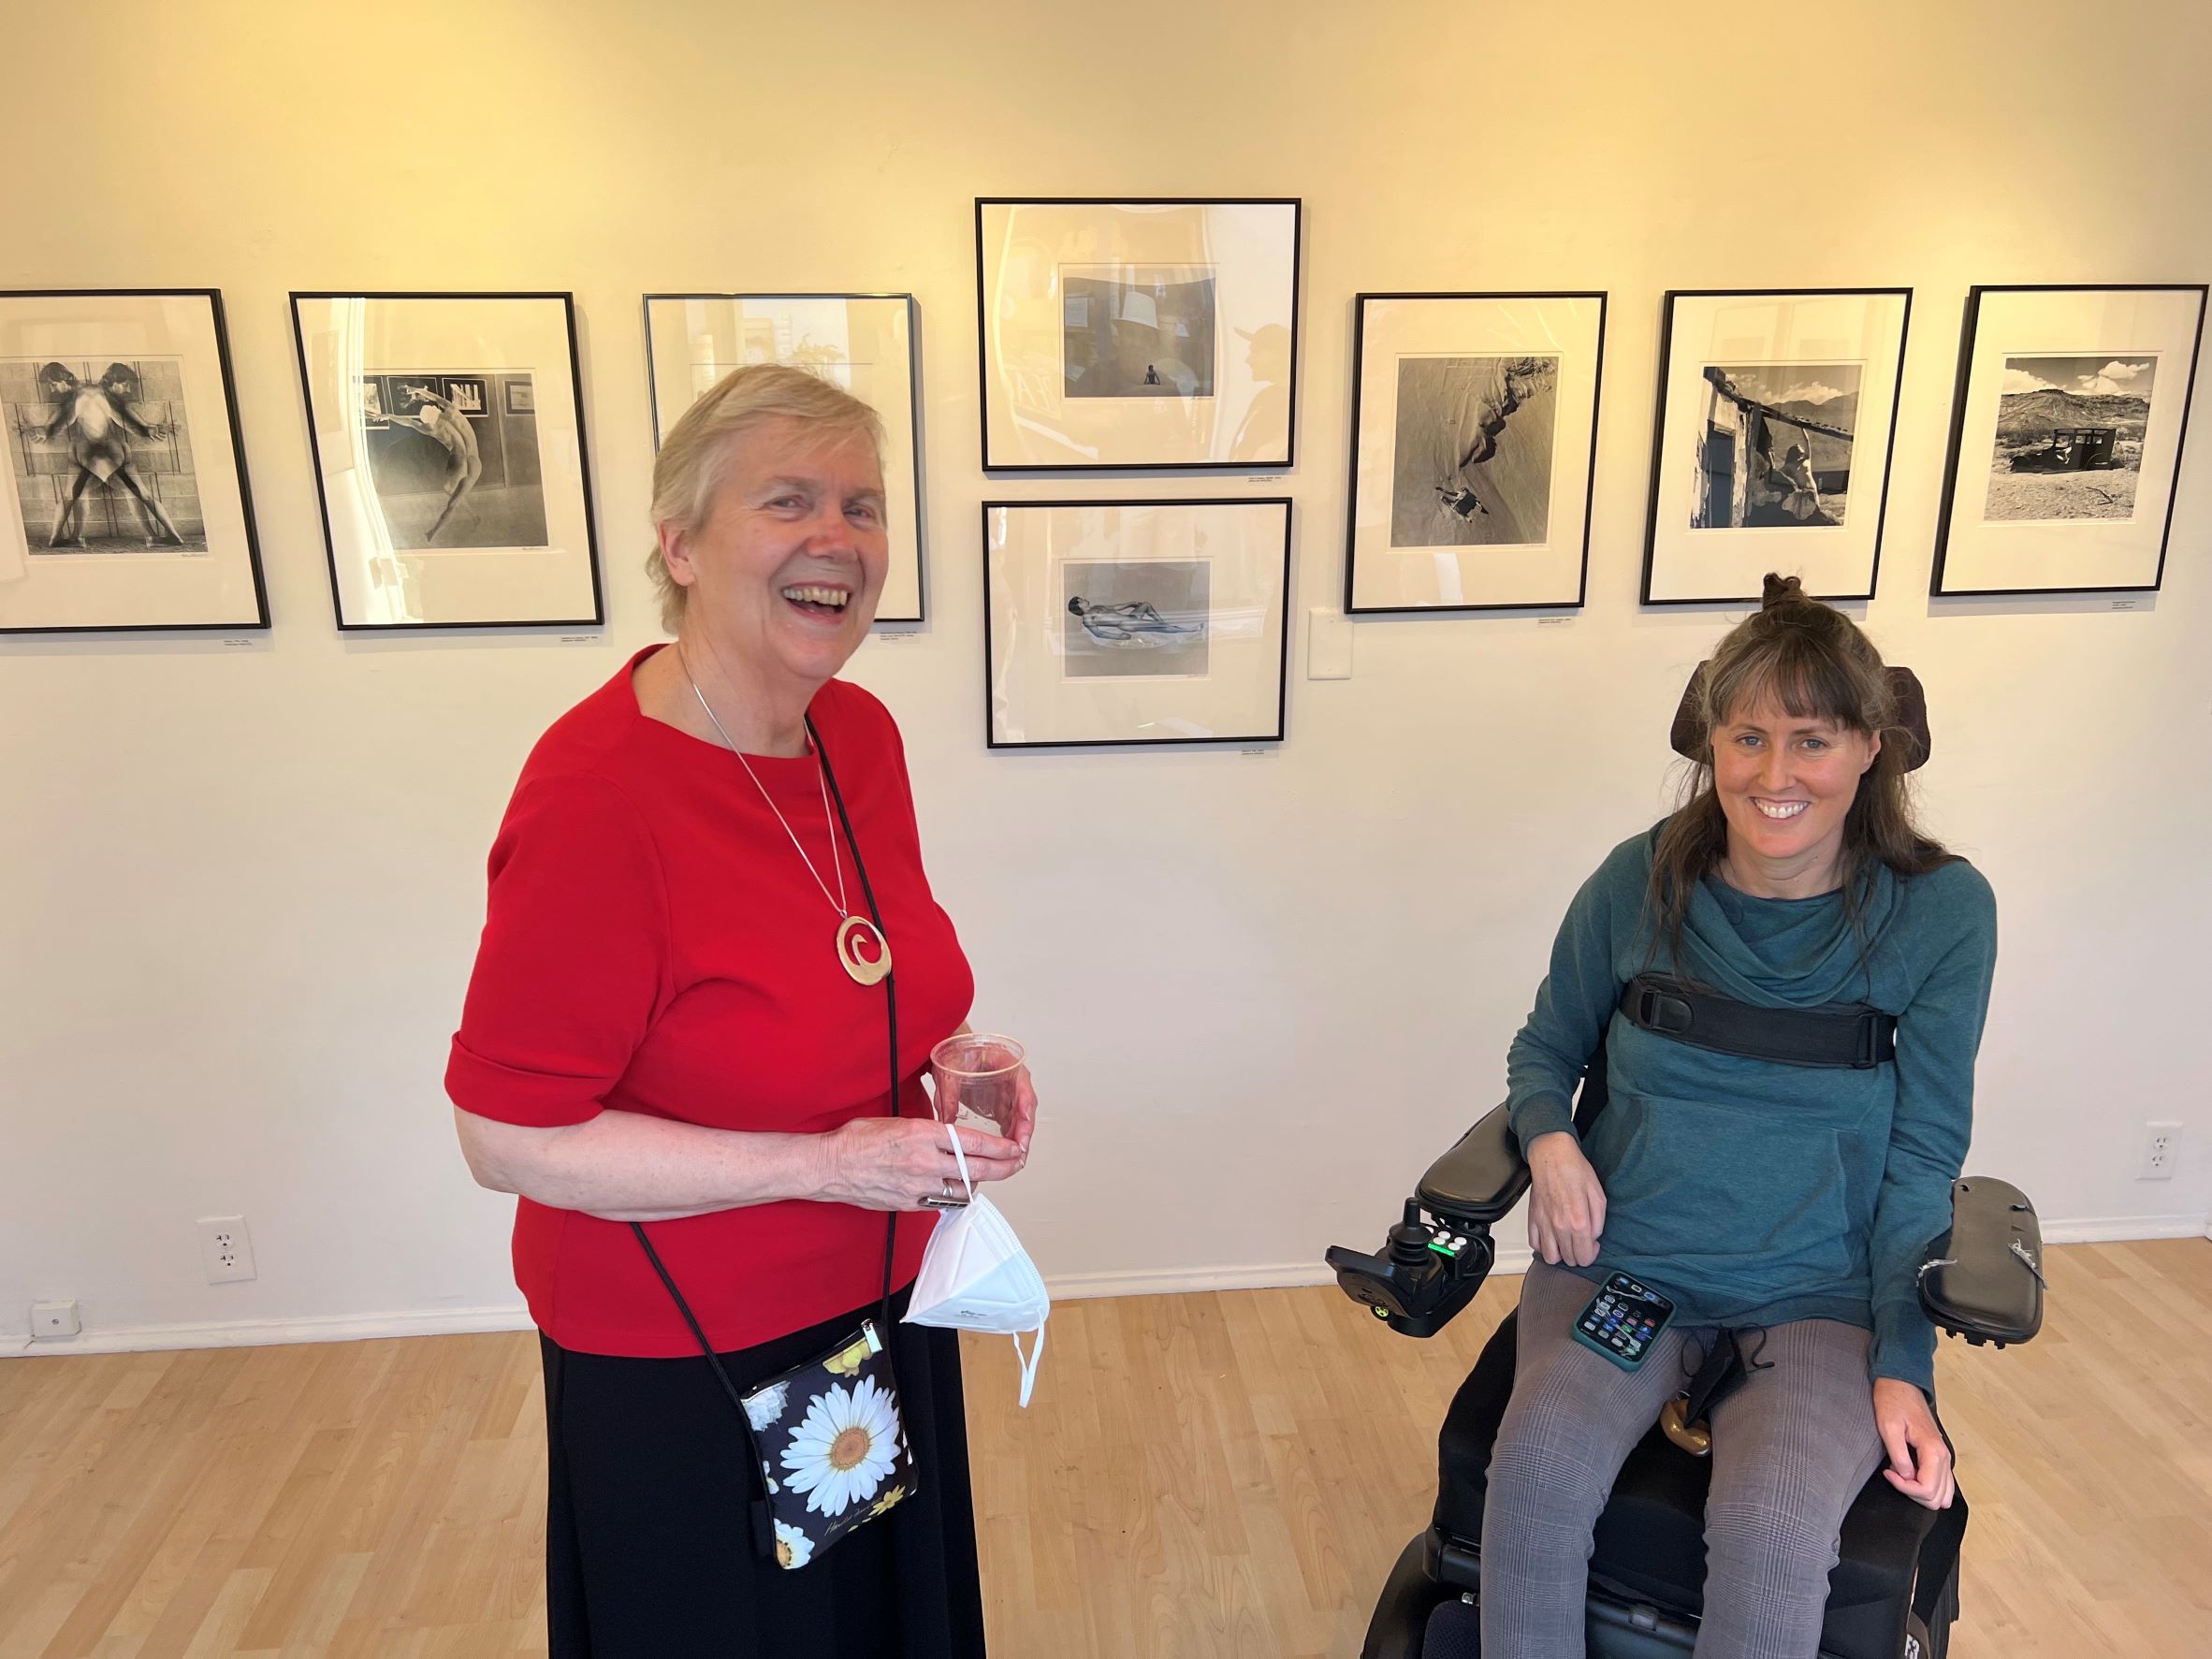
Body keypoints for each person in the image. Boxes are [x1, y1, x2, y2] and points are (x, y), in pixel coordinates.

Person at [448, 363, 1035, 1656]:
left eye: (863, 506)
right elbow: (503, 1137)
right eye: (788, 500)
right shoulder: (599, 795)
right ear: (681, 545)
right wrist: (825, 1162)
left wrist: (950, 1060)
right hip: (690, 1358)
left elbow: (868, 976)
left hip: (883, 1305)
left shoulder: (856, 737)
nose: (837, 538)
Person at [1480, 574, 1997, 1659]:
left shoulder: (1942, 913)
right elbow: (1545, 1050)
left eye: (1811, 740)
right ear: (1711, 744)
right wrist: (1551, 1135)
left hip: (1815, 1293)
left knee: (1770, 1534)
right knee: (1531, 1474)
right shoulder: (1638, 881)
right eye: (1747, 737)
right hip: (1627, 1271)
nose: (1774, 776)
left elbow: (1924, 1155)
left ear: (1870, 746)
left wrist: (1906, 1360)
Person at [30, 361, 189, 548]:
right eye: (126, 384)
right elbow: (124, 419)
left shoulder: (83, 395)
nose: (53, 389)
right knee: (139, 494)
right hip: (104, 452)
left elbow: (67, 419)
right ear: (114, 382)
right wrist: (146, 429)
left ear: (63, 378)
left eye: (53, 384)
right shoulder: (96, 395)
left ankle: (61, 538)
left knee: (73, 495)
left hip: (92, 452)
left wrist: (47, 429)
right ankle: (163, 536)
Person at [382, 382, 483, 544]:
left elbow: (409, 422)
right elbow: (436, 398)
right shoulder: (453, 413)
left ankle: (433, 532)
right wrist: (417, 390)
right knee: (453, 495)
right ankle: (474, 517)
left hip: (460, 461)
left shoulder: (433, 429)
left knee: (451, 498)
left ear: (429, 420)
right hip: (476, 462)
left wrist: (389, 416)